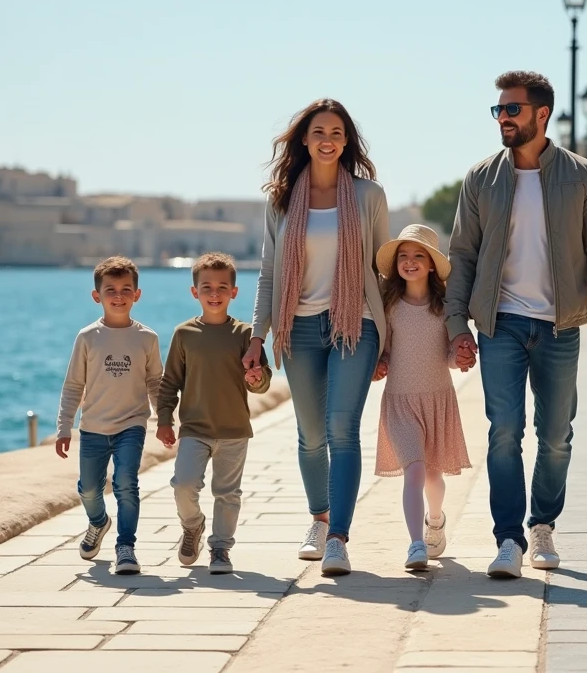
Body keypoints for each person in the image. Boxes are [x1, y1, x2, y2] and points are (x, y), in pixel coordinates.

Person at [447, 70, 587, 579]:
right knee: (504, 431)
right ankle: (508, 539)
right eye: (499, 110)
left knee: (556, 435)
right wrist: (457, 323)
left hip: (560, 326)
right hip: (499, 326)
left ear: (541, 114)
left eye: (512, 109)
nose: (503, 118)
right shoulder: (481, 178)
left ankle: (542, 523)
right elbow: (462, 254)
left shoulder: (581, 175)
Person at [245, 98, 388, 576]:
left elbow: (380, 270)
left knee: (342, 429)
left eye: (337, 133)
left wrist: (388, 340)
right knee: (310, 435)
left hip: (356, 322)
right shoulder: (281, 199)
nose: (328, 140)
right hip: (300, 326)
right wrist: (256, 335)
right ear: (303, 140)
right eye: (319, 132)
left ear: (346, 142)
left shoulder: (368, 196)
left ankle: (339, 540)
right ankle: (319, 519)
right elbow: (269, 273)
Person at [157, 253, 272, 574]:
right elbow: (169, 383)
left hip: (234, 431)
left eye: (223, 287)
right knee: (183, 484)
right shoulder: (184, 334)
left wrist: (256, 377)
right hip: (193, 428)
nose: (214, 293)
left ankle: (221, 549)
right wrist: (164, 420)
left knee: (227, 493)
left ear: (234, 292)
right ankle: (192, 525)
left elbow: (262, 382)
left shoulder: (247, 335)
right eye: (206, 286)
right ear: (195, 292)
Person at [372, 224, 471, 571]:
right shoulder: (390, 306)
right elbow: (385, 350)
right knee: (414, 470)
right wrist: (380, 363)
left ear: (431, 265)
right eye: (404, 257)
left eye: (418, 256)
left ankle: (436, 520)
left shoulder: (445, 308)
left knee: (432, 476)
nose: (410, 262)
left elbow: (447, 353)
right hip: (400, 401)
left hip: (437, 400)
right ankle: (416, 544)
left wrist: (459, 357)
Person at [55, 256, 162, 575]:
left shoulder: (148, 338)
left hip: (132, 424)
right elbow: (74, 384)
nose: (119, 295)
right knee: (88, 488)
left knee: (126, 481)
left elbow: (156, 381)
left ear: (137, 295)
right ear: (97, 296)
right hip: (92, 428)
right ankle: (98, 522)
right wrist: (64, 426)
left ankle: (125, 546)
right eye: (111, 290)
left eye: (126, 289)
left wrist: (166, 419)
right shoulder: (87, 337)